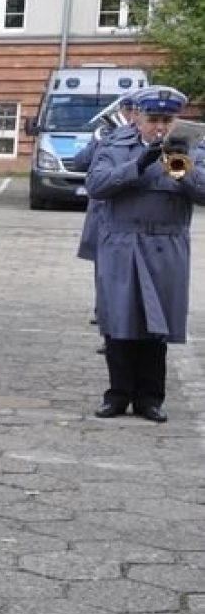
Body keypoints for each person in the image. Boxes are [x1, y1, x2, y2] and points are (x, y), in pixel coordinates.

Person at [84, 85, 205, 422]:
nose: (160, 127)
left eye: (167, 119)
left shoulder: (193, 148)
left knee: (157, 324)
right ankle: (118, 394)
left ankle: (150, 398)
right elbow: (96, 185)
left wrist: (181, 167)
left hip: (166, 244)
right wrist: (137, 164)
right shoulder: (114, 144)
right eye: (153, 119)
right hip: (123, 242)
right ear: (137, 117)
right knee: (119, 320)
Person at [71, 92, 134, 350]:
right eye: (127, 109)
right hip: (105, 211)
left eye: (133, 109)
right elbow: (81, 162)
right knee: (105, 269)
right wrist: (101, 142)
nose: (129, 114)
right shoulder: (105, 134)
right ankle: (107, 317)